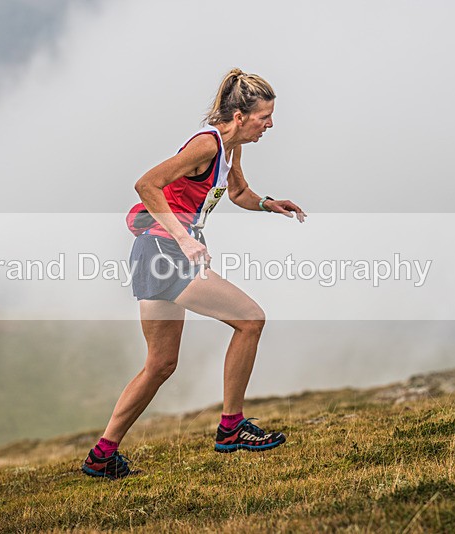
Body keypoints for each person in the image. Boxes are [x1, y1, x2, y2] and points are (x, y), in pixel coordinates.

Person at [82, 68, 306, 480]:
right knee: (250, 319)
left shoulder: (231, 148)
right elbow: (146, 184)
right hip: (164, 251)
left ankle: (102, 455)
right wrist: (184, 239)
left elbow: (237, 191)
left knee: (161, 364)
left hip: (156, 252)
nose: (270, 125)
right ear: (239, 116)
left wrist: (267, 204)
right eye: (264, 117)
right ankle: (231, 427)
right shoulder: (207, 144)